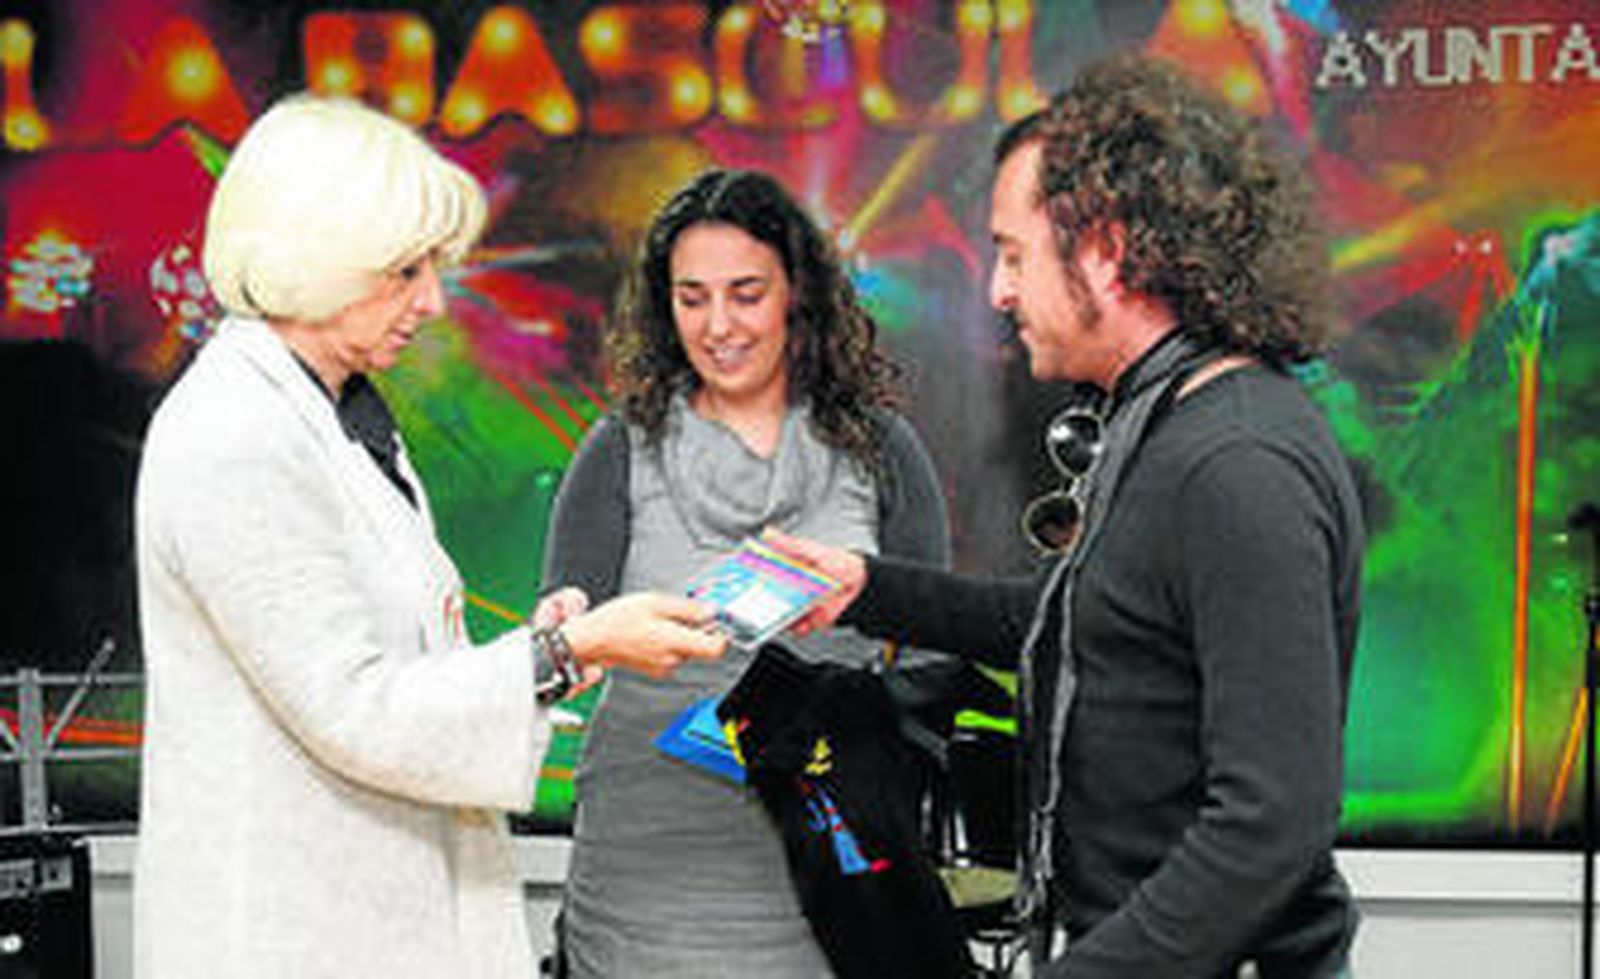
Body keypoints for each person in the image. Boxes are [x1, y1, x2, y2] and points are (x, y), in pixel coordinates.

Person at [767, 54, 1364, 978]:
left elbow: (1270, 824)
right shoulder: (1158, 422)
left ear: (1108, 249)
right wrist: (863, 588)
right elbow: (1068, 623)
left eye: (1012, 253)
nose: (999, 292)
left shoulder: (1237, 463)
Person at [132, 93, 727, 979]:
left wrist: (555, 647)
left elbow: (394, 665)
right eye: (406, 271)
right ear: (317, 258)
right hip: (288, 935)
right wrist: (560, 652)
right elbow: (355, 709)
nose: (434, 302)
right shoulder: (236, 436)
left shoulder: (333, 415)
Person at [536, 167, 951, 977]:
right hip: (644, 885)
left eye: (745, 293)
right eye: (692, 298)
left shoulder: (883, 452)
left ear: (798, 292)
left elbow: (933, 659)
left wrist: (844, 749)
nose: (718, 324)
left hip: (828, 877)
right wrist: (560, 631)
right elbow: (564, 634)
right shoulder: (616, 450)